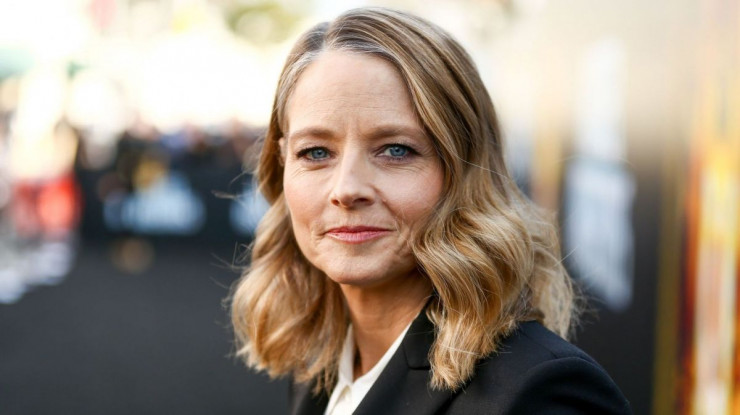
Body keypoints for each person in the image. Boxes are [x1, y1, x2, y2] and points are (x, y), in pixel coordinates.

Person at [230, 7, 631, 415]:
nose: (346, 189)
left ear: (465, 172)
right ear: (281, 164)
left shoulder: (541, 395)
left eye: (396, 150)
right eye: (315, 152)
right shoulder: (324, 367)